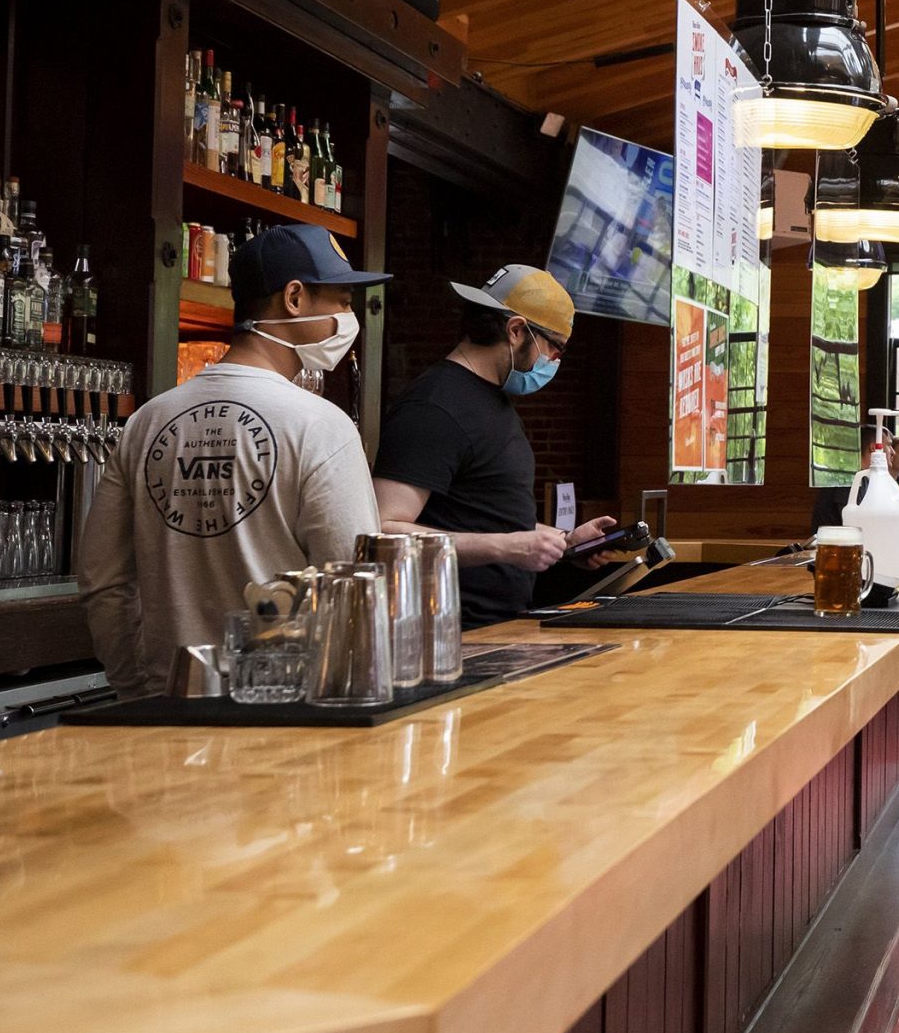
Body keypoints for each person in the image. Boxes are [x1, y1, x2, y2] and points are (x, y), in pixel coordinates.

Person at [79, 226, 387, 692]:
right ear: (295, 298)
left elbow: (103, 581)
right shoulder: (321, 426)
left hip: (171, 704)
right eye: (342, 302)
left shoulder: (148, 422)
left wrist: (137, 688)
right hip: (286, 707)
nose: (348, 319)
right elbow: (355, 583)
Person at [371, 265, 616, 627]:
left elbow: (484, 515)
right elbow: (383, 530)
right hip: (447, 632)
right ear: (516, 330)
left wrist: (564, 541)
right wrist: (511, 548)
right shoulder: (434, 407)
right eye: (555, 347)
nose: (555, 361)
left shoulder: (491, 399)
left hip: (498, 625)